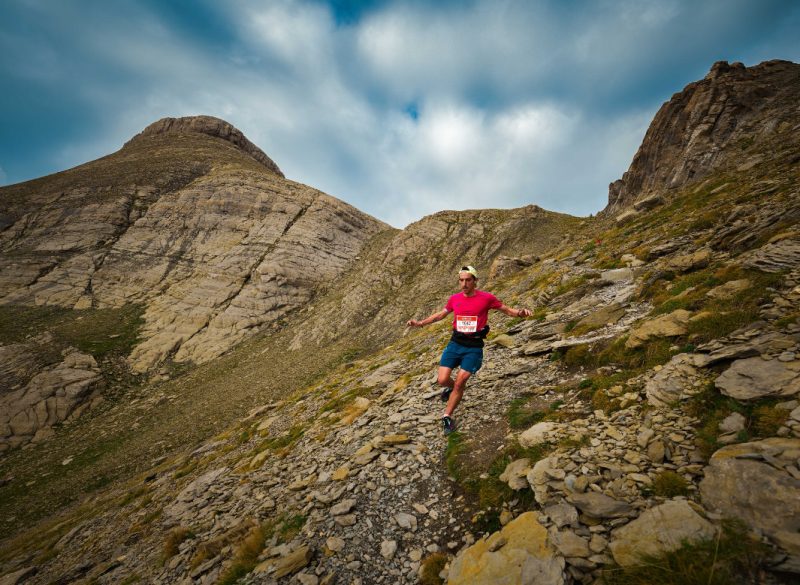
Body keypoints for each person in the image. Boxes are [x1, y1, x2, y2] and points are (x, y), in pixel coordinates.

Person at [406, 265, 532, 435]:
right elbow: (440, 315)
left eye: (468, 280)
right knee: (442, 380)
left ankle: (447, 416)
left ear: (475, 281)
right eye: (461, 280)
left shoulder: (487, 298)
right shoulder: (454, 299)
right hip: (455, 343)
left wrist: (520, 313)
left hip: (473, 346)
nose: (464, 283)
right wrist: (420, 323)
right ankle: (454, 389)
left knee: (460, 381)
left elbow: (506, 310)